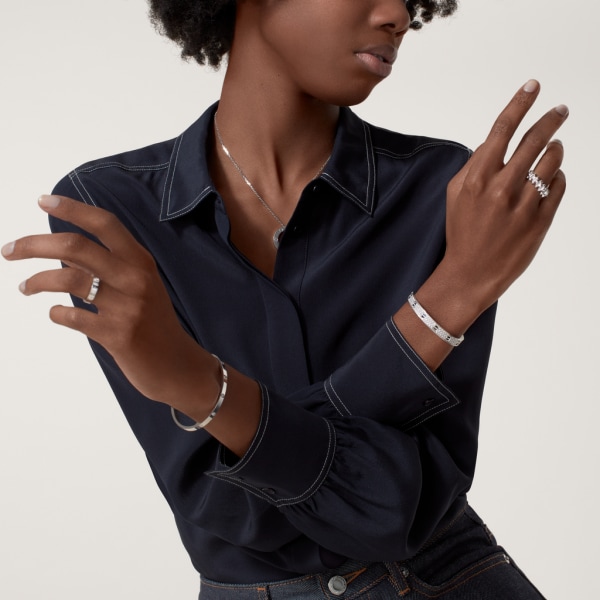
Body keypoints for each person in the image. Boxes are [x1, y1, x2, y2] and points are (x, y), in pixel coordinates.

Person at [2, 0, 567, 597]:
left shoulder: (444, 190)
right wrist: (447, 301)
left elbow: (404, 509)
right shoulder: (112, 211)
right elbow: (224, 508)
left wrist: (204, 388)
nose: (398, 14)